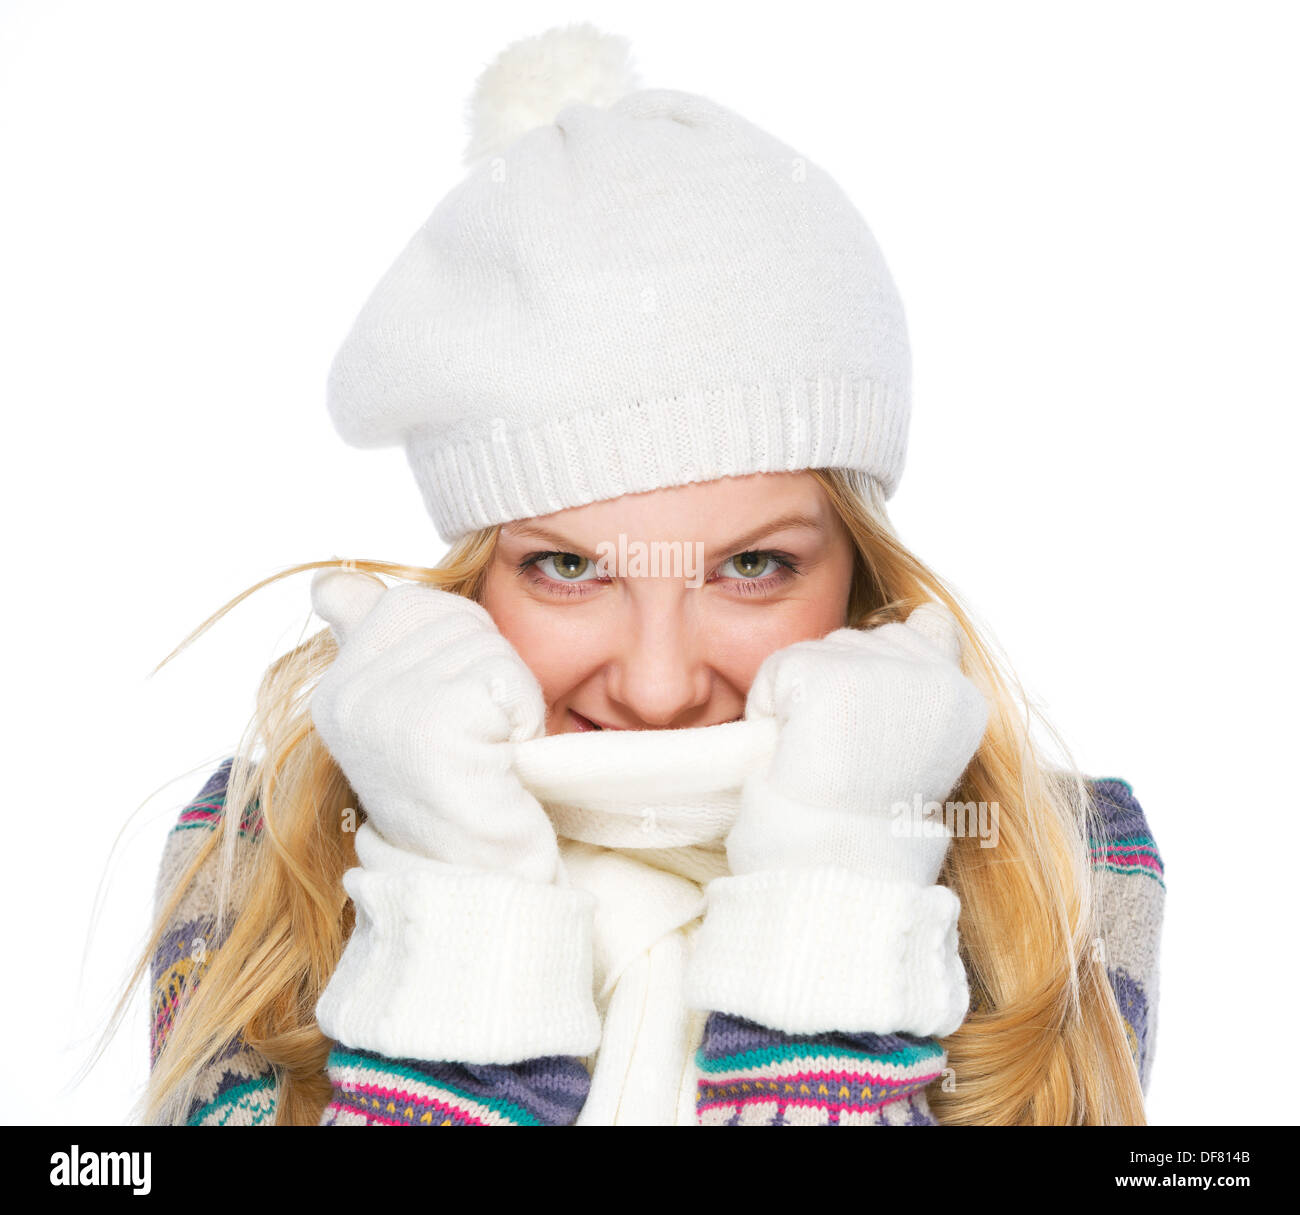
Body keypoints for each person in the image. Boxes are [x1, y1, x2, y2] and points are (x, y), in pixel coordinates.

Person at [115, 23, 1164, 1126]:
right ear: (471, 581)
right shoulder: (260, 853)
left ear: (860, 567)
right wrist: (459, 916)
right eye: (568, 567)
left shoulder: (1060, 872)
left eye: (753, 566)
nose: (658, 689)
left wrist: (835, 899)